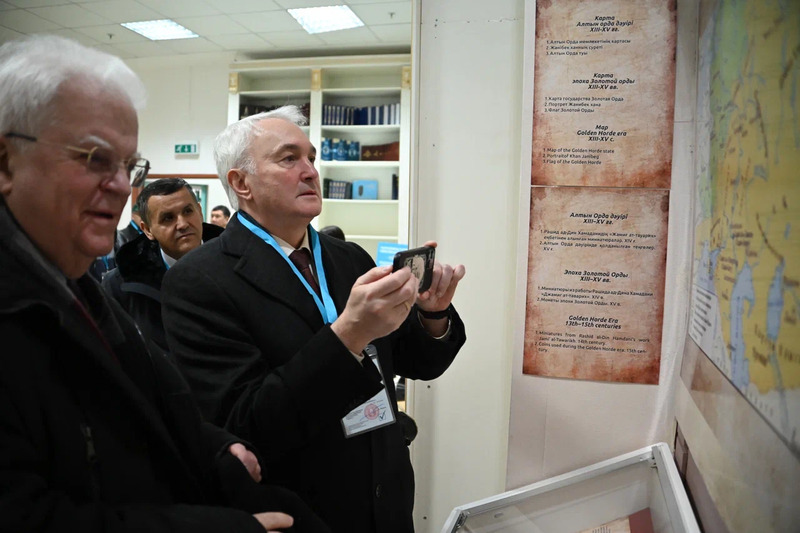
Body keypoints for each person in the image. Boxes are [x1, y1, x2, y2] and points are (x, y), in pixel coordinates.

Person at [0, 35, 330, 533]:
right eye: (94, 158)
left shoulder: (76, 286)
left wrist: (216, 447)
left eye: (128, 165)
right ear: (6, 162)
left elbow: (156, 409)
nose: (120, 185)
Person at [161, 104, 467, 533]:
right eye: (289, 159)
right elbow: (245, 424)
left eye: (311, 157)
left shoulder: (349, 257)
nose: (310, 171)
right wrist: (347, 336)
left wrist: (433, 316)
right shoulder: (198, 281)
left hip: (387, 500)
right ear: (241, 183)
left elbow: (413, 361)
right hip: (303, 510)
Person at [102, 178, 224, 351]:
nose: (182, 224)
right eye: (168, 218)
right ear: (147, 230)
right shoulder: (120, 286)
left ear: (200, 211)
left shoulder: (237, 265)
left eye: (188, 211)